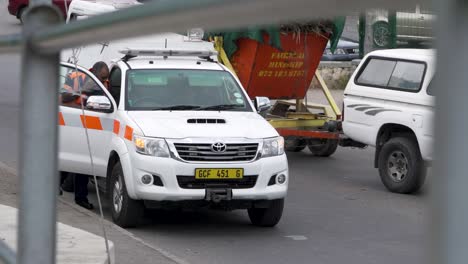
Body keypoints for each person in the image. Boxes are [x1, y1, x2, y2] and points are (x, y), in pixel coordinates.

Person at [60, 62, 110, 210]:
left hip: (89, 125)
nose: (103, 81)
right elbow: (65, 96)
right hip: (71, 122)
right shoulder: (77, 76)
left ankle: (79, 197)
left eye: (104, 79)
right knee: (71, 160)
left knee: (82, 162)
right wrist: (83, 92)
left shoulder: (105, 82)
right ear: (94, 72)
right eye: (101, 78)